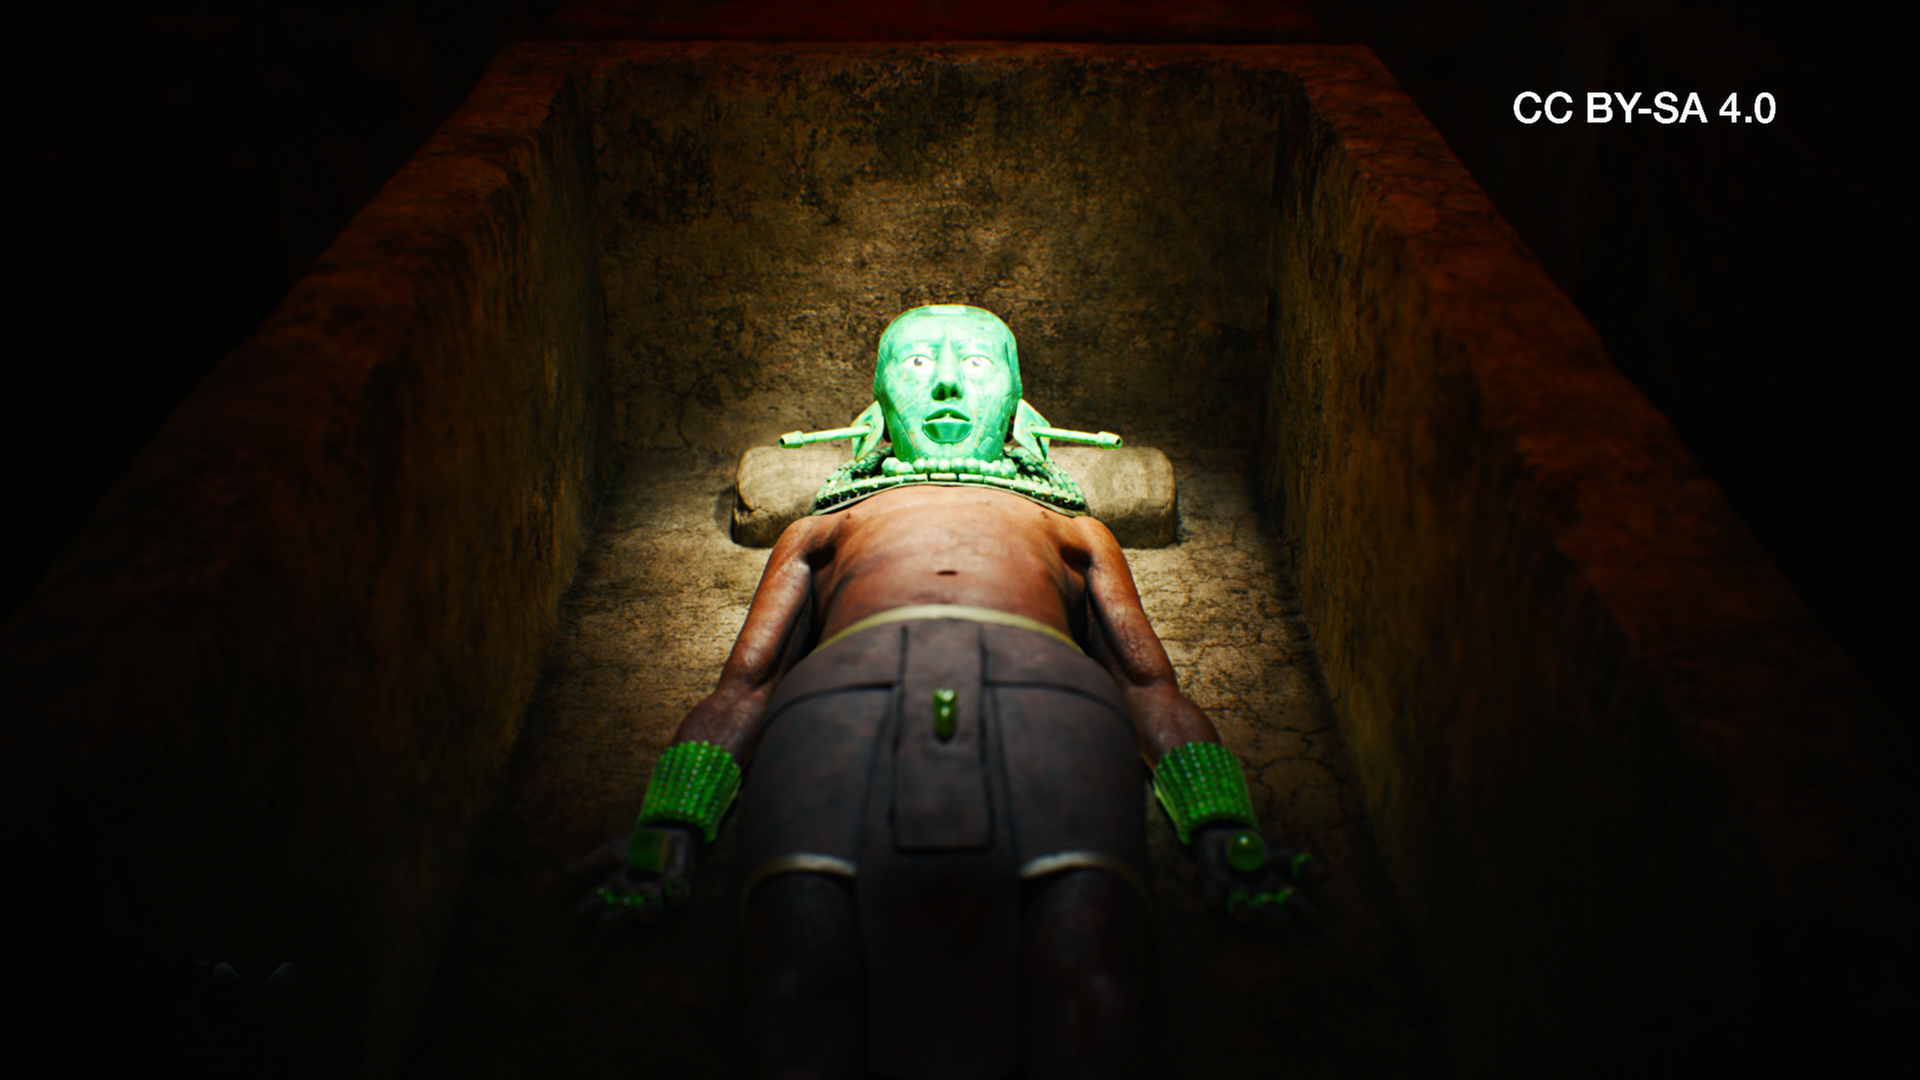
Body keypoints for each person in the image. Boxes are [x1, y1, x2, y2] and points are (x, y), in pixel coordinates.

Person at [571, 305, 1324, 1079]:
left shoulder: (1071, 527)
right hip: (843, 705)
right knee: (796, 993)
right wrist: (671, 822)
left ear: (1018, 409)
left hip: (1045, 702)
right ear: (878, 410)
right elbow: (744, 688)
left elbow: (1149, 688)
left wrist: (1221, 823)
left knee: (1091, 1000)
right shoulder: (826, 524)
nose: (945, 386)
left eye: (975, 364)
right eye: (915, 363)